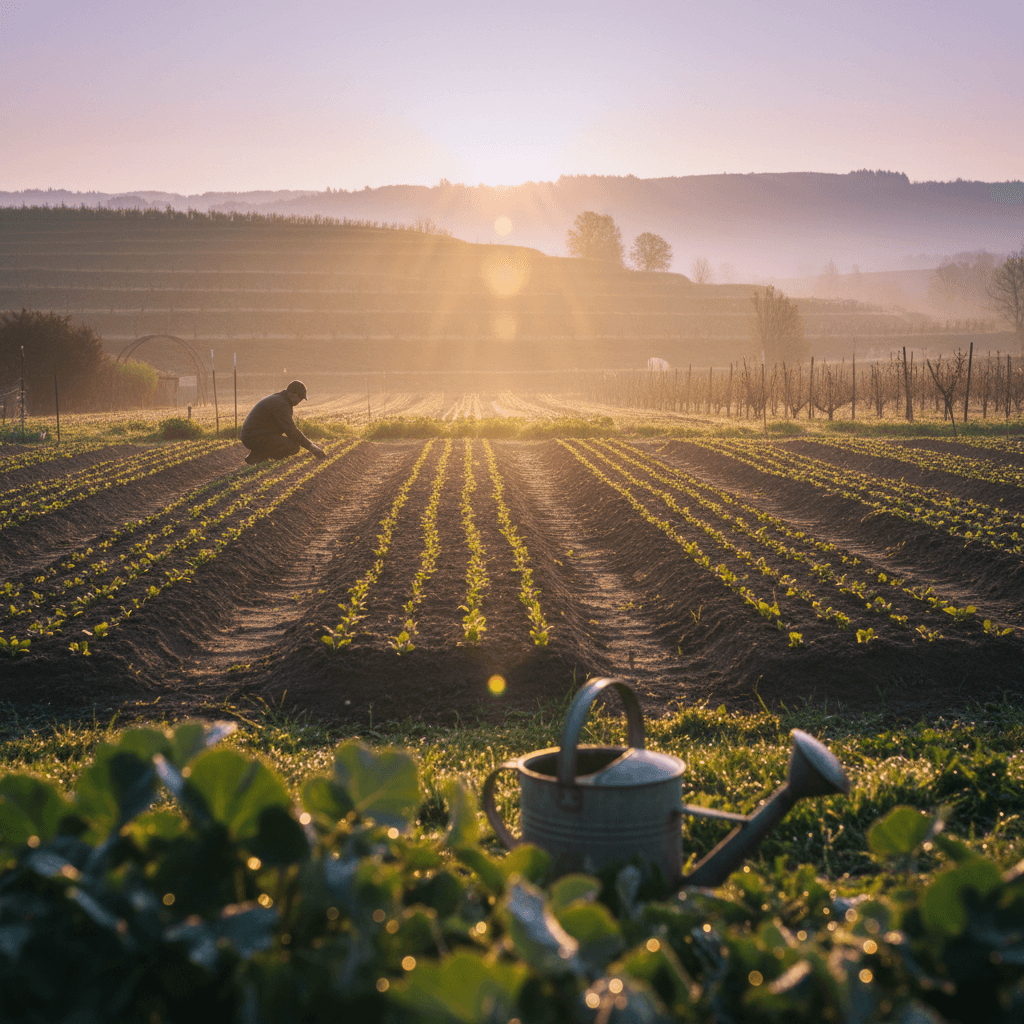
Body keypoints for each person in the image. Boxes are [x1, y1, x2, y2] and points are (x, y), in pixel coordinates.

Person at [240, 380, 327, 464]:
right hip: (254, 437)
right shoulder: (281, 404)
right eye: (300, 398)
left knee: (284, 441)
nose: (299, 401)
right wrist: (312, 448)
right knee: (292, 447)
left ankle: (255, 455)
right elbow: (291, 431)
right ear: (293, 394)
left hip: (252, 435)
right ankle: (261, 457)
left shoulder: (280, 399)